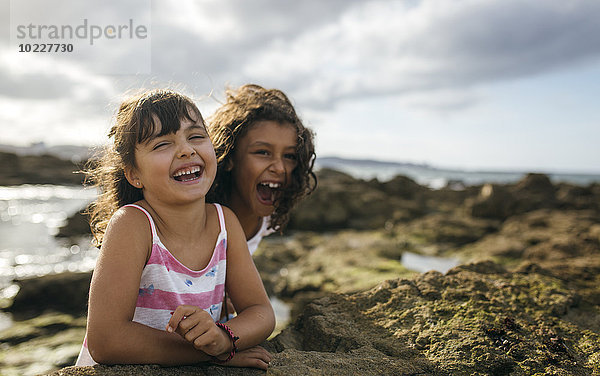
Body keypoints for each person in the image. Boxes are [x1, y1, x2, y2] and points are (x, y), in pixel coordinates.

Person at [75, 89, 275, 370]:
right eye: (162, 145)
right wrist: (211, 353)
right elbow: (106, 339)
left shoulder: (224, 222)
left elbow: (261, 312)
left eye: (195, 136)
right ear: (134, 174)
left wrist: (224, 338)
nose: (186, 150)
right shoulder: (133, 225)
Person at [207, 84, 317, 255]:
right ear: (229, 157)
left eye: (289, 156)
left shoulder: (268, 222)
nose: (280, 168)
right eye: (263, 152)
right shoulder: (198, 220)